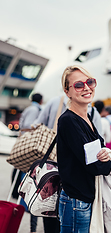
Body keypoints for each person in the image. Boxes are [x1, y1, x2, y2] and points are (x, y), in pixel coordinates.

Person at [57, 65, 111, 232]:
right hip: (76, 202)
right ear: (67, 91)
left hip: (85, 199)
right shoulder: (69, 120)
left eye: (90, 82)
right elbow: (95, 166)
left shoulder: (86, 117)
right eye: (79, 85)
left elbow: (97, 153)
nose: (86, 88)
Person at [33, 93, 102, 233]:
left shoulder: (54, 102)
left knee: (50, 202)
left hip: (53, 162)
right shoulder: (91, 112)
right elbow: (100, 141)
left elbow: (37, 124)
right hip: (77, 169)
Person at [19, 93, 43, 233]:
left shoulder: (29, 108)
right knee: (30, 177)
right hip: (30, 146)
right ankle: (27, 205)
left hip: (24, 144)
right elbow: (29, 126)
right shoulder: (35, 110)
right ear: (40, 100)